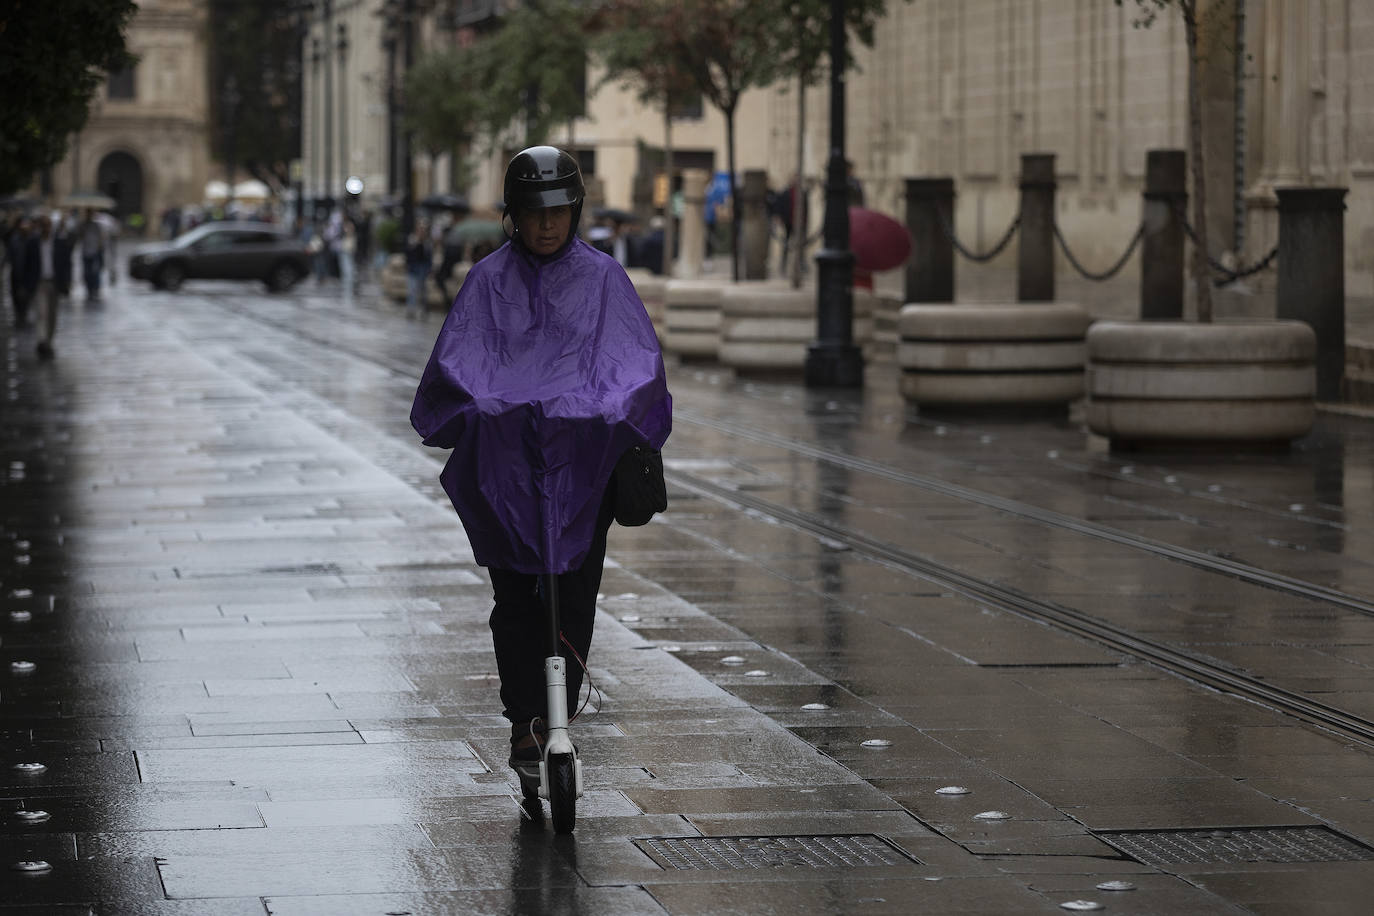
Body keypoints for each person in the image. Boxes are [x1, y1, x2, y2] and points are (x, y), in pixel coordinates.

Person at [410, 146, 671, 770]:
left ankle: (558, 708)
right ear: (513, 215)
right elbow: (456, 368)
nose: (547, 225)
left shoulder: (605, 279)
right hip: (507, 474)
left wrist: (607, 409)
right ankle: (525, 718)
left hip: (582, 472)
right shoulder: (487, 282)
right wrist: (489, 409)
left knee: (575, 593)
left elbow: (636, 366)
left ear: (575, 211)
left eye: (558, 211)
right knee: (518, 599)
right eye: (534, 212)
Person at [32, 215, 58, 359]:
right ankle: (42, 341)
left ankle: (49, 340)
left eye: (49, 225)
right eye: (44, 226)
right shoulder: (34, 242)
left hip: (54, 282)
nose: (47, 229)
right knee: (42, 313)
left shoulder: (58, 242)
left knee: (52, 315)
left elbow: (64, 263)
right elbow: (28, 264)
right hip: (39, 282)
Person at [78, 209, 108, 303]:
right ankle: (89, 290)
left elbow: (101, 238)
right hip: (86, 252)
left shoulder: (96, 225)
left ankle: (95, 289)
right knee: (87, 272)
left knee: (95, 272)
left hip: (95, 252)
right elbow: (79, 236)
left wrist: (100, 248)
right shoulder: (83, 225)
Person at [403, 219, 431, 318]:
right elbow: (408, 254)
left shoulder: (427, 242)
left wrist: (429, 269)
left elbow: (428, 257)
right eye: (420, 228)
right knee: (412, 290)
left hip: (423, 269)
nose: (422, 231)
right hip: (413, 269)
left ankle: (423, 310)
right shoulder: (412, 240)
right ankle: (411, 310)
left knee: (423, 291)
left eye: (424, 229)